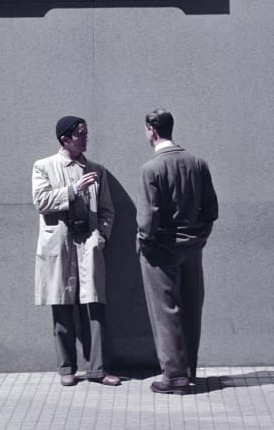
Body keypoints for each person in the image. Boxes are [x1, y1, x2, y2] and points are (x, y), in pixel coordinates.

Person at [32, 115, 120, 387]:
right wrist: (72, 190)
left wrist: (101, 237)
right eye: (80, 133)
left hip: (88, 244)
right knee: (62, 304)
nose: (85, 138)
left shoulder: (97, 169)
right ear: (65, 139)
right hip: (60, 243)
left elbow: (107, 210)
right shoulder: (43, 166)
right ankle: (66, 367)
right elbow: (41, 201)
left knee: (94, 306)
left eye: (86, 133)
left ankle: (98, 369)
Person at [136, 108, 218, 394]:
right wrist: (200, 236)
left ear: (152, 130)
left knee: (166, 311)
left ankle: (174, 376)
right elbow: (211, 209)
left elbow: (148, 217)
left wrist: (144, 243)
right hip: (193, 247)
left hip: (161, 249)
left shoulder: (151, 169)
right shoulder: (198, 163)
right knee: (191, 306)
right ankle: (189, 370)